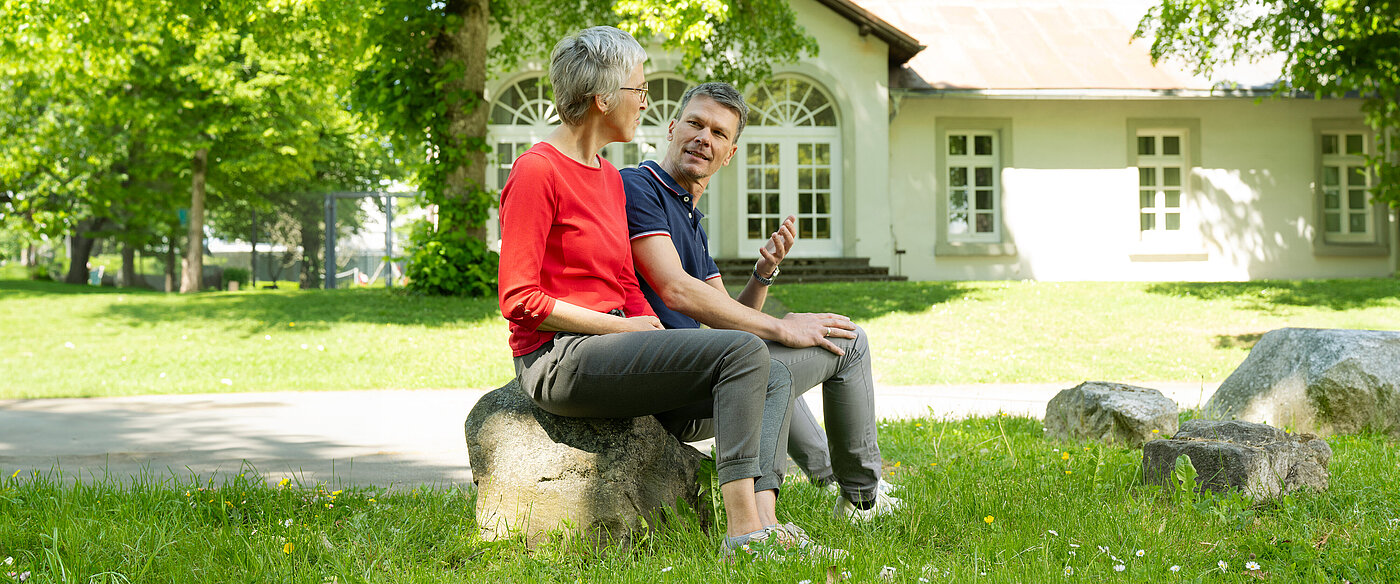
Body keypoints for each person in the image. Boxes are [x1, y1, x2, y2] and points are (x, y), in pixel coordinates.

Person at [496, 27, 844, 560]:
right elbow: (519, 300)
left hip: (615, 348)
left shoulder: (610, 179)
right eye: (639, 90)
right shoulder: (537, 171)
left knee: (769, 371)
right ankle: (743, 532)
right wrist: (624, 327)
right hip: (557, 360)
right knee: (744, 350)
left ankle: (769, 522)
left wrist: (647, 327)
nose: (646, 102)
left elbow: (625, 281)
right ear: (602, 97)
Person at [622, 82, 900, 521]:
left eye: (718, 133)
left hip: (699, 376)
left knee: (814, 344)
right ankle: (861, 498)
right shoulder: (640, 187)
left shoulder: (691, 218)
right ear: (672, 128)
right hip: (667, 381)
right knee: (842, 347)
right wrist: (781, 328)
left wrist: (763, 273)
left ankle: (834, 480)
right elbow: (675, 288)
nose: (703, 138)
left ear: (729, 154)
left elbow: (728, 318)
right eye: (695, 124)